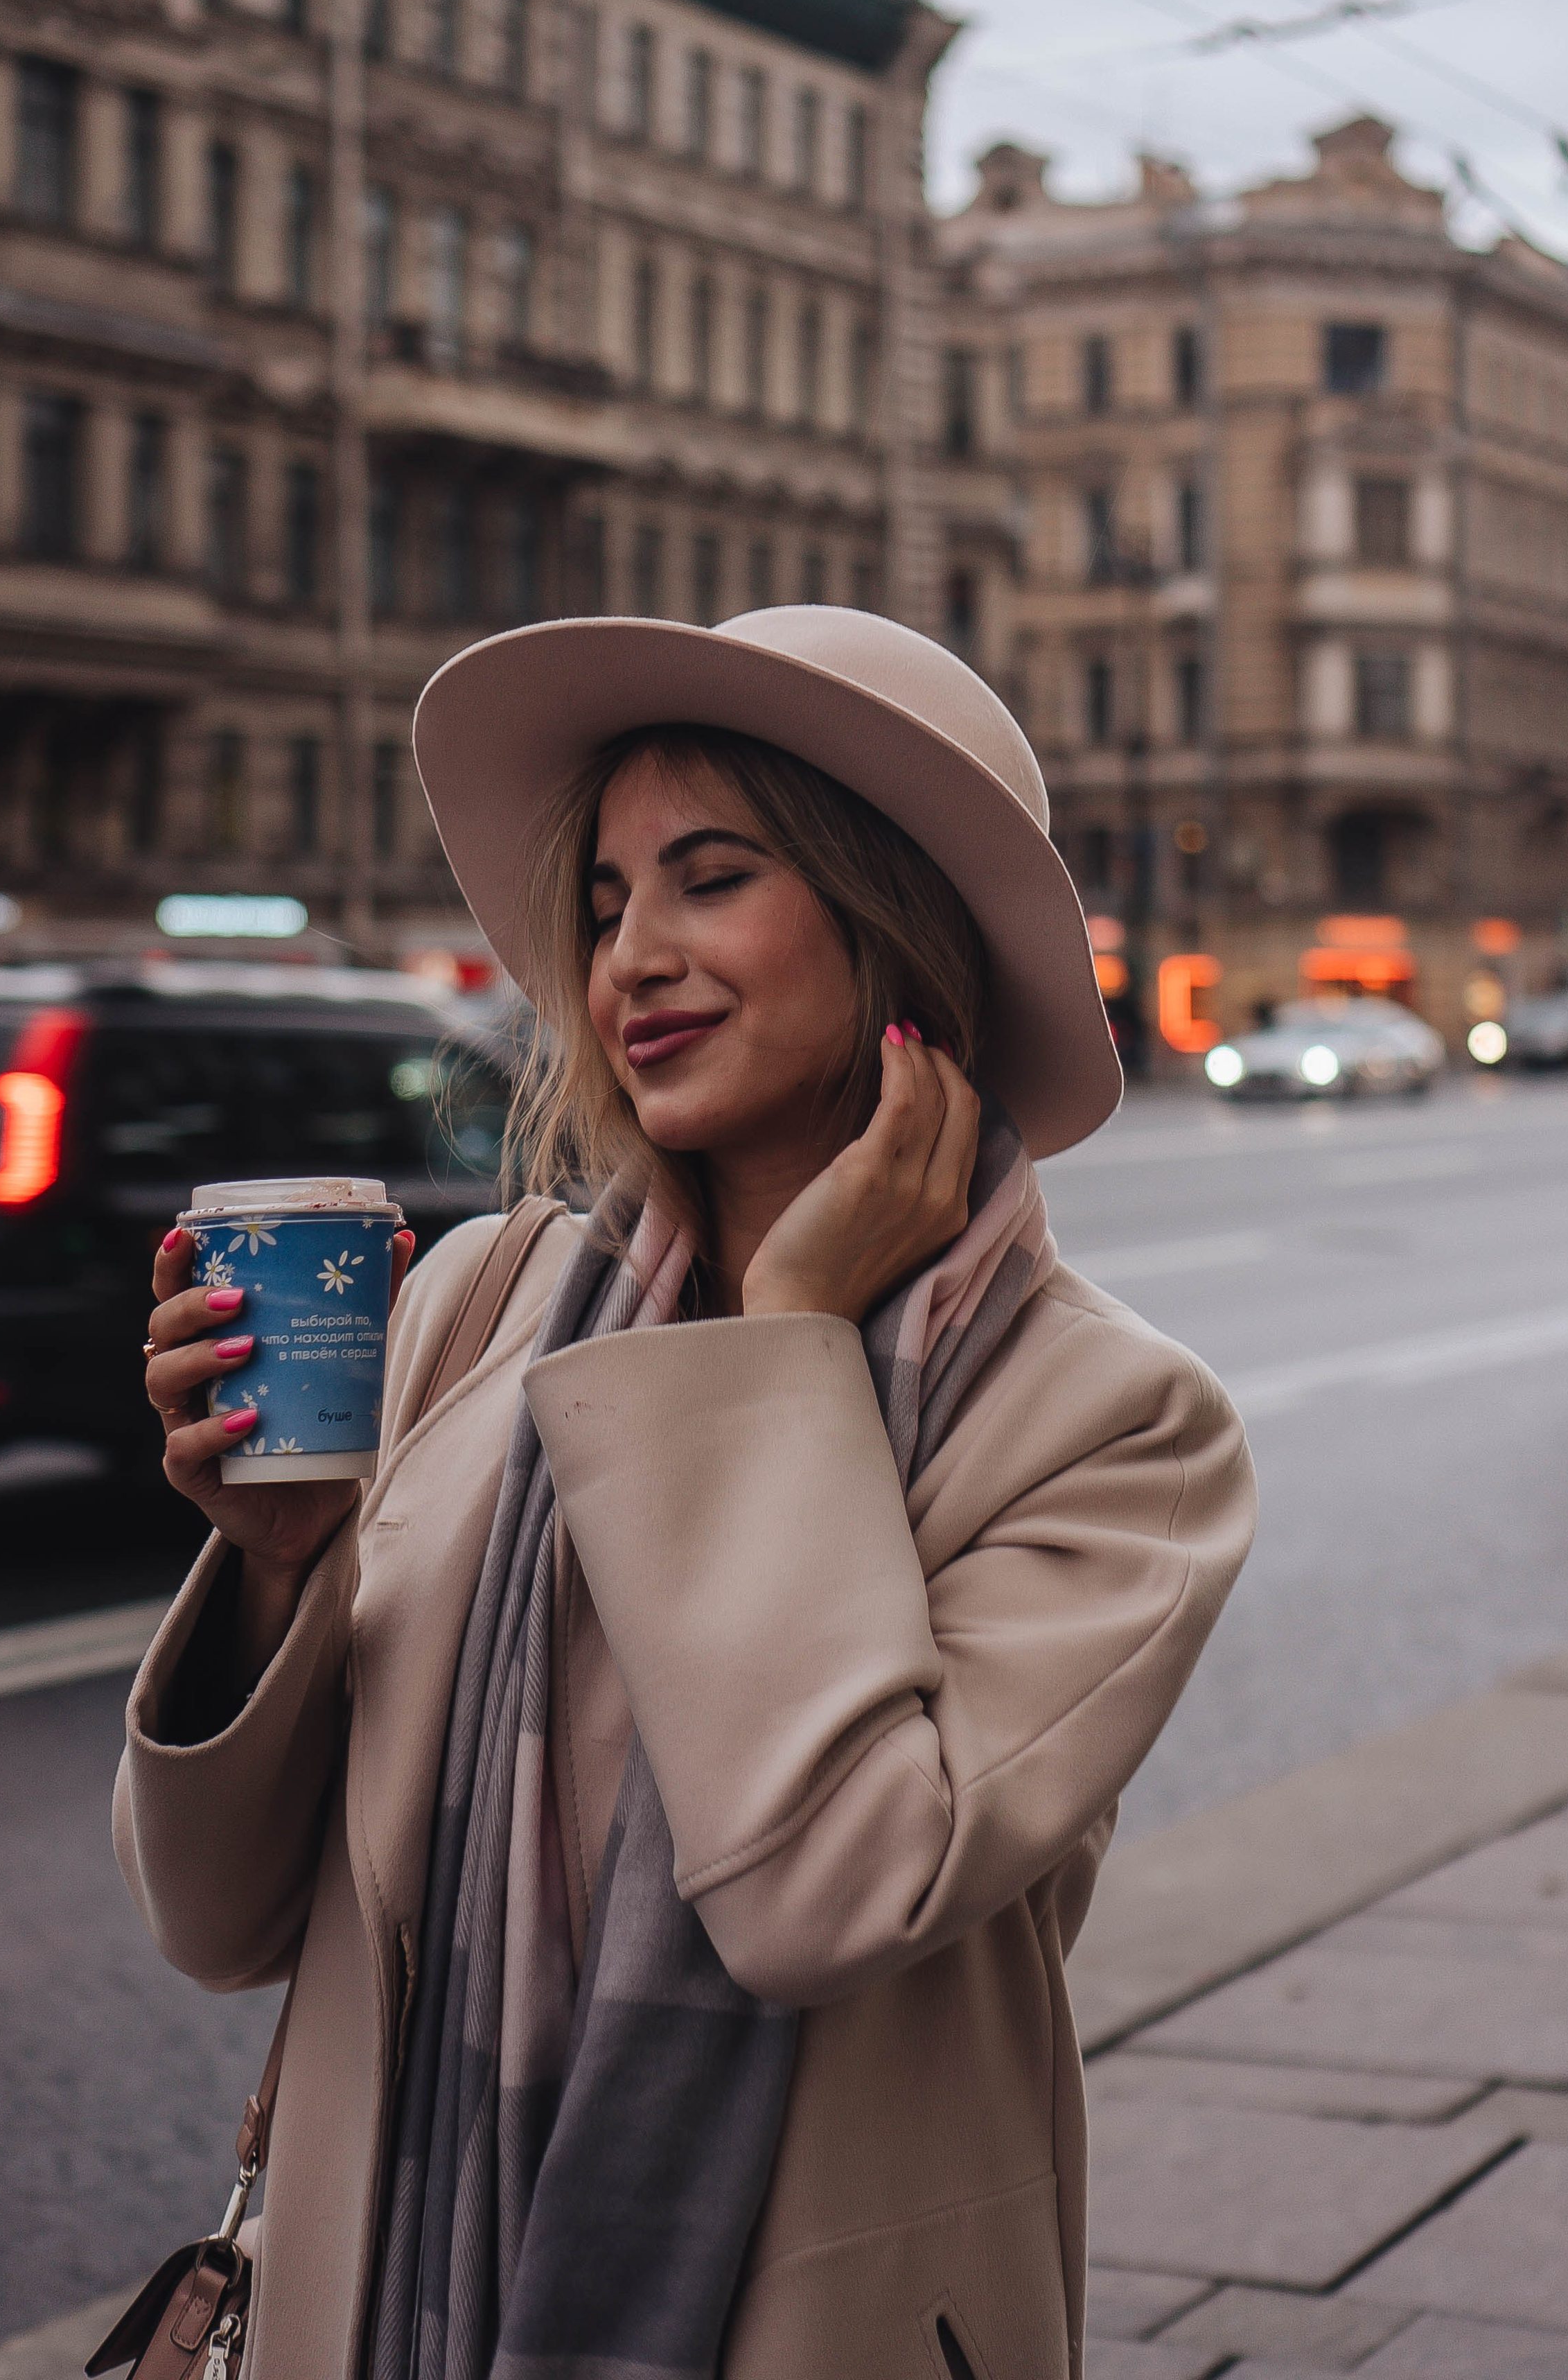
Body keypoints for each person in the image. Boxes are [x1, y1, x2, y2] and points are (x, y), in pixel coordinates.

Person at [121, 605, 1256, 2380]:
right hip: (389, 2304)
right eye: (603, 901)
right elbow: (219, 1926)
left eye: (710, 880)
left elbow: (825, 1895)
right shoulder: (471, 1305)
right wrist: (269, 1576)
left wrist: (790, 1333)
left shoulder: (1110, 1424)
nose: (627, 957)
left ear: (897, 927)